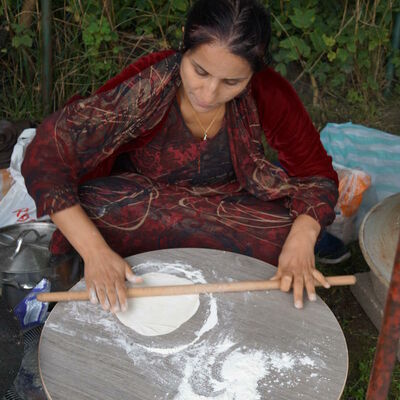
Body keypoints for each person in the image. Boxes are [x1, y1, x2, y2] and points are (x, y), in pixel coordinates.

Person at [22, 0, 339, 314]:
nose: (209, 93)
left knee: (291, 230)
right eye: (199, 71)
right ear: (184, 46)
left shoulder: (268, 91)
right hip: (144, 203)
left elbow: (316, 175)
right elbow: (47, 152)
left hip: (223, 209)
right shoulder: (150, 82)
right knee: (93, 204)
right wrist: (94, 252)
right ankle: (114, 262)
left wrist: (301, 239)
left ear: (253, 74)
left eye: (232, 82)